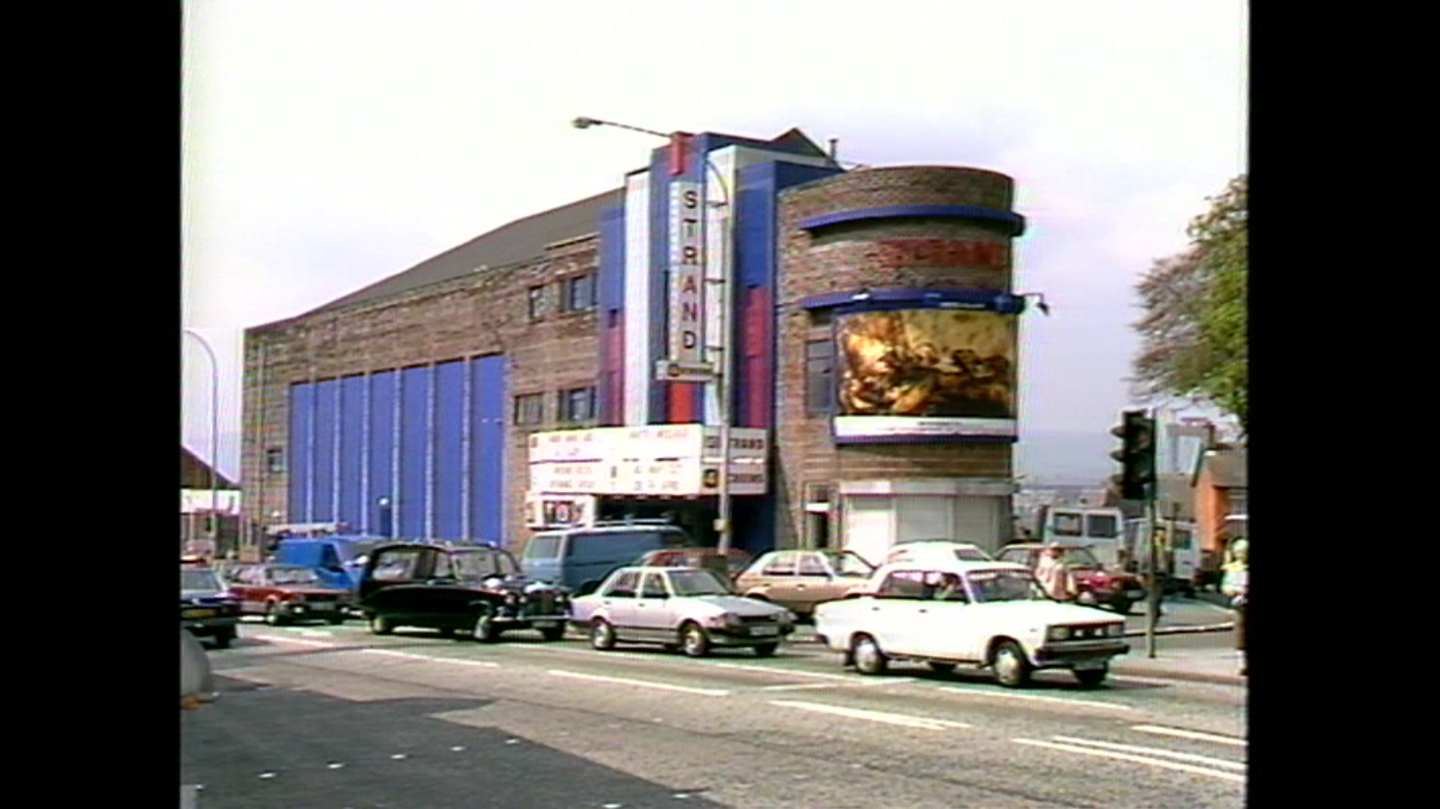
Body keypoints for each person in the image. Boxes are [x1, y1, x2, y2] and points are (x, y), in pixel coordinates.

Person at [1221, 538, 1249, 675]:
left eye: (1244, 552)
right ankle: (1242, 664)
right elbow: (1226, 585)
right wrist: (1232, 590)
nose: (1242, 555)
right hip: (1240, 604)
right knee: (1240, 635)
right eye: (1239, 552)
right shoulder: (1232, 568)